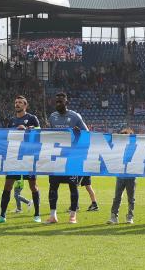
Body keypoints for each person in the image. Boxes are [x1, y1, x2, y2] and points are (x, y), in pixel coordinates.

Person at [0, 95, 41, 224]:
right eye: (16, 102)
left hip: (28, 156)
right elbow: (6, 135)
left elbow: (40, 134)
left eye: (20, 102)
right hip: (14, 157)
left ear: (25, 105)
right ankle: (2, 216)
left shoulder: (32, 118)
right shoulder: (11, 120)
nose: (17, 104)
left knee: (33, 186)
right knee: (7, 185)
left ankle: (37, 214)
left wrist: (29, 130)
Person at [45, 92, 88, 224]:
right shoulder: (52, 117)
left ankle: (73, 215)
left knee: (73, 186)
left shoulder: (75, 116)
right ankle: (53, 216)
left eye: (61, 101)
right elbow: (48, 135)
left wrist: (78, 133)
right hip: (56, 158)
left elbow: (86, 133)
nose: (58, 104)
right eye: (56, 101)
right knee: (53, 186)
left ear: (66, 103)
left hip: (71, 158)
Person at [107, 128, 136, 225]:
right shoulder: (118, 149)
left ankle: (130, 216)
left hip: (131, 177)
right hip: (120, 176)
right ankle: (114, 216)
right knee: (117, 197)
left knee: (131, 198)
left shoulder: (134, 148)